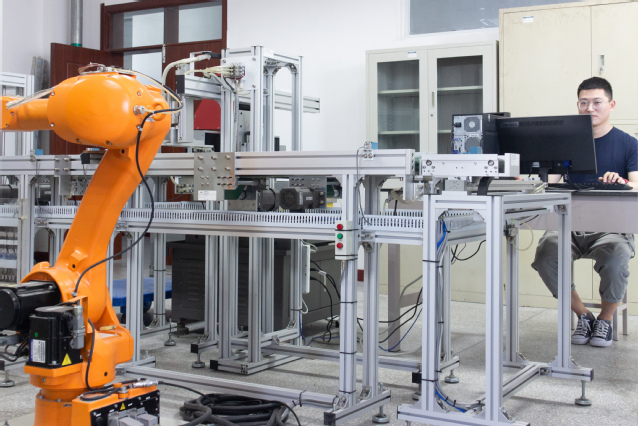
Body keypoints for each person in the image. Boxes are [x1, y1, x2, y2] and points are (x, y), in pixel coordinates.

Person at [532, 76, 638, 347]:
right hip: (569, 225)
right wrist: (528, 181)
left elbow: (637, 184)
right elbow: (548, 183)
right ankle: (584, 315)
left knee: (616, 258)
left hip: (612, 227)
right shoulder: (564, 144)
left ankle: (605, 320)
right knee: (546, 254)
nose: (590, 108)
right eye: (583, 103)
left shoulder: (628, 144)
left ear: (611, 105)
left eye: (597, 102)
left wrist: (622, 182)